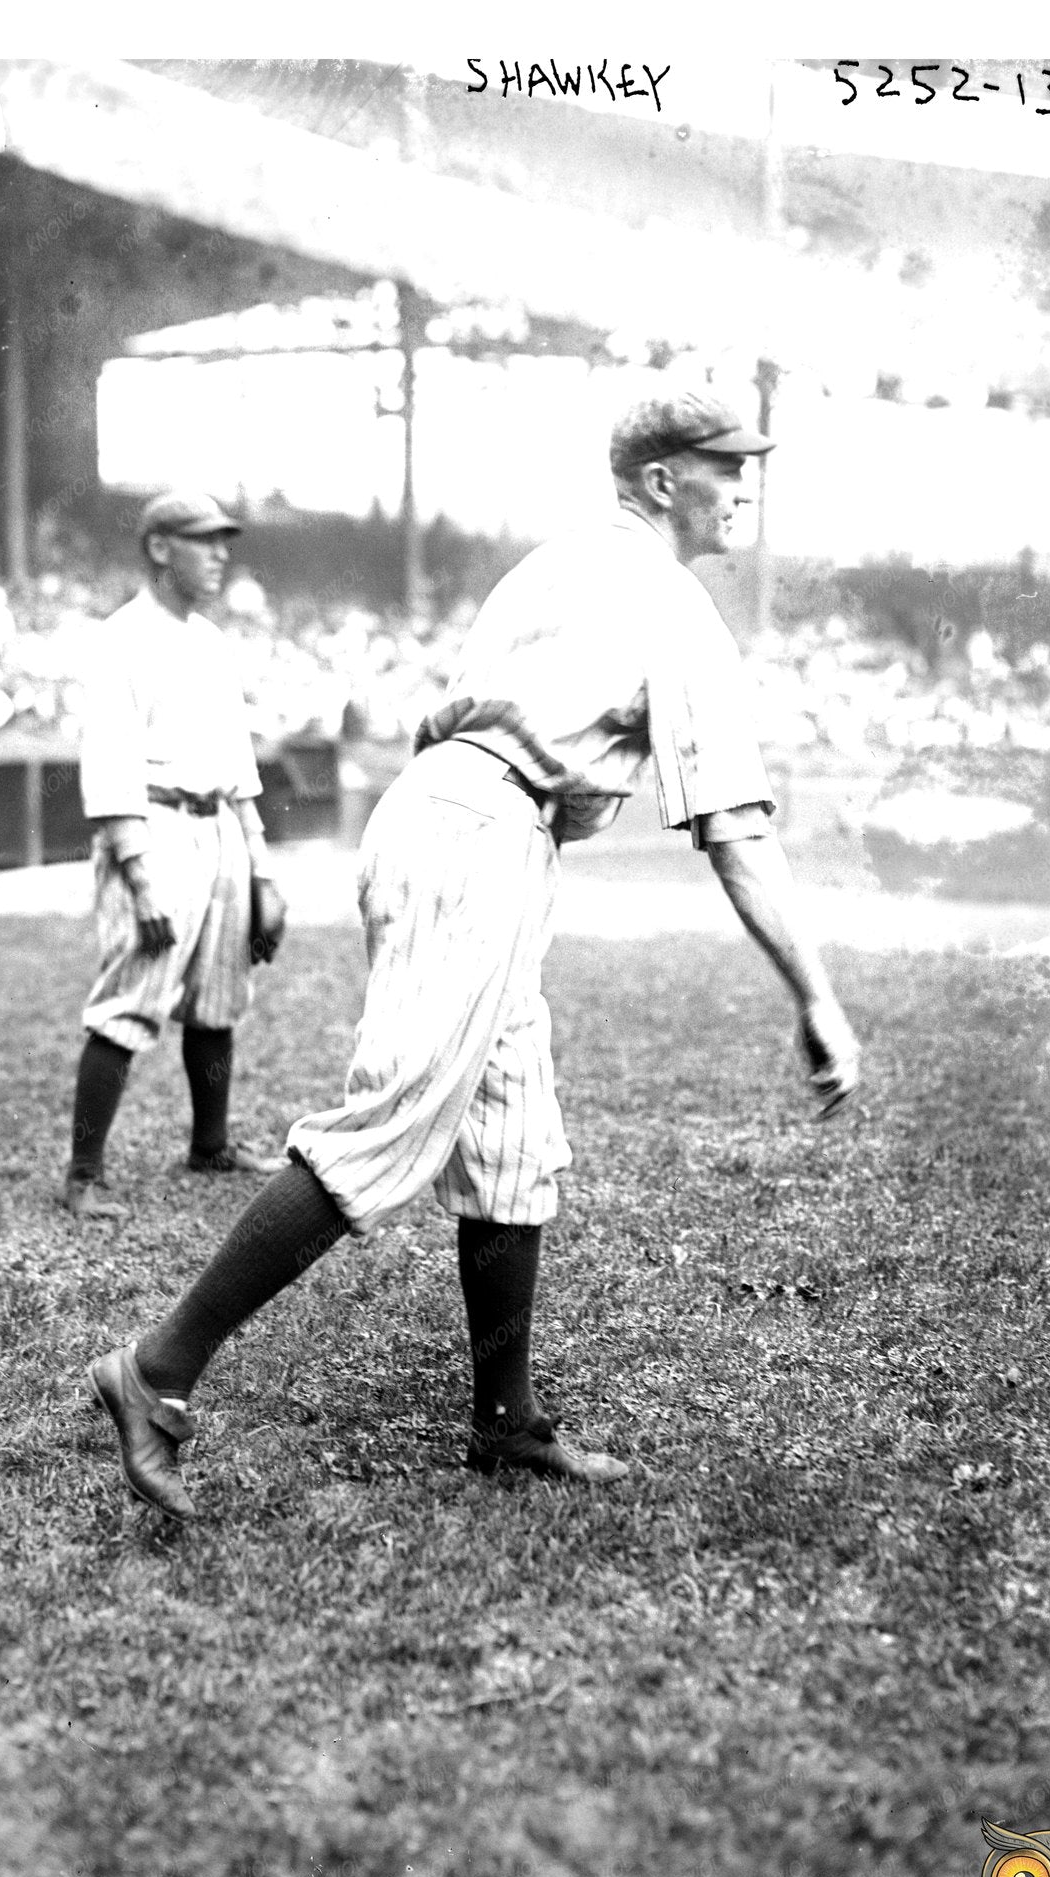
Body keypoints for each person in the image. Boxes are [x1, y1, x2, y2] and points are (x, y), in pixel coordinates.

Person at [86, 387, 860, 1518]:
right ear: (660, 481)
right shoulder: (670, 597)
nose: (741, 484)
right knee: (389, 1125)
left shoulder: (545, 566)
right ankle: (156, 1370)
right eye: (722, 465)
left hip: (444, 810)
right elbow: (734, 829)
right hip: (486, 833)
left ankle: (504, 1422)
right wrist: (818, 999)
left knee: (509, 1136)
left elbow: (438, 725)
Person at [62, 489, 288, 1220]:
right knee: (131, 999)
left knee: (219, 997)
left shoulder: (210, 641)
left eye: (225, 539)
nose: (221, 552)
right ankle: (84, 1175)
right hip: (154, 824)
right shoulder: (119, 638)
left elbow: (241, 765)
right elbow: (109, 762)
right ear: (161, 547)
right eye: (204, 539)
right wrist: (139, 871)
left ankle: (210, 1144)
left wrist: (263, 869)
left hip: (219, 824)